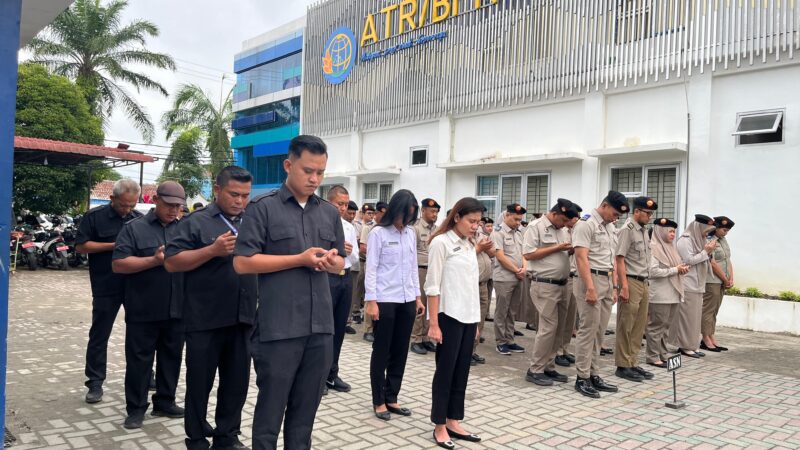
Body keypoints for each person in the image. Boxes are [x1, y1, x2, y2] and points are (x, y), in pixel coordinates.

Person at [233, 135, 345, 450]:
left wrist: (331, 263)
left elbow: (339, 264)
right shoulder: (263, 208)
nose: (314, 179)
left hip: (320, 329)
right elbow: (242, 262)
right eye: (307, 170)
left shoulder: (329, 213)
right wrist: (298, 259)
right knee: (270, 413)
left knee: (304, 416)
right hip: (279, 330)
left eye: (320, 173)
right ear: (288, 164)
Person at [164, 167, 257, 450]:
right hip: (204, 317)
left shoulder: (252, 222)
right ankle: (196, 435)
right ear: (217, 190)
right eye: (234, 194)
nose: (240, 201)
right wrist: (211, 251)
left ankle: (227, 435)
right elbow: (171, 262)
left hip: (242, 316)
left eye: (245, 195)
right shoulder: (196, 222)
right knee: (199, 382)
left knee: (236, 383)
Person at [112, 181, 186, 429]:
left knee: (171, 359)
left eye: (178, 206)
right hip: (143, 309)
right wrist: (154, 261)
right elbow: (119, 264)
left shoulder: (186, 229)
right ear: (156, 200)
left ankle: (165, 402)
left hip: (177, 309)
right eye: (169, 205)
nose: (174, 210)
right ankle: (136, 408)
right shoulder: (134, 228)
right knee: (139, 362)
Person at [425, 198, 485, 449]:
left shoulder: (470, 244)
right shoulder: (441, 243)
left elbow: (472, 285)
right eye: (472, 221)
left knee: (462, 371)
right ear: (457, 217)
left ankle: (453, 419)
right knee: (445, 372)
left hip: (468, 316)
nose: (475, 227)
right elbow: (433, 286)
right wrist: (434, 323)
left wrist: (477, 320)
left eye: (478, 222)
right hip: (449, 318)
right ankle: (439, 424)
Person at [76, 179, 143, 404]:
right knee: (100, 334)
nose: (127, 209)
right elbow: (82, 246)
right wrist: (115, 245)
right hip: (105, 284)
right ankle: (95, 382)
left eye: (132, 205)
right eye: (124, 204)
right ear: (112, 199)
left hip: (134, 284)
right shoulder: (94, 217)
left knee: (141, 334)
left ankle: (146, 375)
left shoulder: (138, 220)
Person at [365, 190, 424, 421]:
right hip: (385, 300)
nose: (405, 221)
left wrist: (418, 297)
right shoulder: (378, 233)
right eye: (403, 216)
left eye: (410, 216)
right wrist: (371, 301)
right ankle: (378, 400)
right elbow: (371, 268)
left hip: (407, 299)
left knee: (400, 350)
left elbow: (412, 267)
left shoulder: (410, 233)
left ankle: (392, 396)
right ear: (395, 210)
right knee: (382, 351)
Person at [571, 191, 629, 398]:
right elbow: (581, 258)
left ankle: (593, 373)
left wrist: (615, 286)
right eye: (614, 213)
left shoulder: (610, 226)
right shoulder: (586, 224)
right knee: (588, 330)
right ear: (604, 206)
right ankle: (582, 377)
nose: (616, 218)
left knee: (600, 330)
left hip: (605, 280)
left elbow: (611, 258)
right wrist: (590, 288)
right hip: (590, 279)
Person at [522, 199, 578, 387]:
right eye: (563, 220)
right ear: (554, 214)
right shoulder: (536, 227)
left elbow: (559, 254)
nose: (564, 225)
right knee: (548, 328)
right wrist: (557, 248)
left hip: (562, 284)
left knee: (560, 328)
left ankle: (549, 366)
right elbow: (528, 254)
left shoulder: (561, 230)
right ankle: (535, 369)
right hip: (544, 285)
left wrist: (568, 251)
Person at [613, 197, 658, 383]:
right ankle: (623, 365)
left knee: (639, 325)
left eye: (651, 214)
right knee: (627, 323)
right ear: (636, 212)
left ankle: (632, 361)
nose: (649, 217)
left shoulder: (644, 231)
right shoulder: (627, 230)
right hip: (630, 281)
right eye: (646, 213)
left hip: (644, 281)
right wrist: (623, 285)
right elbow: (619, 259)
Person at [323, 185, 359, 395]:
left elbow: (353, 259)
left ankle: (332, 373)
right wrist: (335, 250)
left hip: (345, 280)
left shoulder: (349, 227)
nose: (343, 208)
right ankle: (318, 377)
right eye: (340, 204)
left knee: (338, 329)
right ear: (329, 202)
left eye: (346, 204)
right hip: (326, 279)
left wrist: (348, 252)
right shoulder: (321, 223)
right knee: (324, 331)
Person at [671, 214, 717, 359]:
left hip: (699, 283)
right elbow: (688, 260)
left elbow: (705, 258)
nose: (707, 234)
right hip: (688, 283)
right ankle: (684, 346)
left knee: (695, 317)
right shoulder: (685, 240)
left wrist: (708, 253)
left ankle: (692, 345)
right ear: (698, 227)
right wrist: (705, 252)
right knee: (687, 318)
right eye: (705, 231)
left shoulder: (699, 239)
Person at [646, 218, 689, 368]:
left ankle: (663, 354)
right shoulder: (653, 248)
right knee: (656, 326)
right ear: (661, 231)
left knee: (666, 327)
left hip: (673, 293)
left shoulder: (670, 247)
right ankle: (652, 356)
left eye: (674, 232)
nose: (672, 234)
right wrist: (675, 270)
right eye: (670, 231)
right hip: (660, 294)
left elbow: (675, 267)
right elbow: (652, 271)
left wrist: (681, 269)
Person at [490, 204, 527, 355]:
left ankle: (510, 340)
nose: (518, 223)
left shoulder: (519, 233)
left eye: (520, 220)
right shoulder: (498, 233)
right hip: (504, 278)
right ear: (507, 216)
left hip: (518, 276)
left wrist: (524, 268)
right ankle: (501, 342)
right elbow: (500, 256)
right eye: (516, 219)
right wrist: (516, 270)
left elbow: (524, 253)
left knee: (512, 311)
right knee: (502, 311)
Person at [410, 198, 441, 355]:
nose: (435, 214)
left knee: (431, 305)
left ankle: (427, 338)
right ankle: (416, 338)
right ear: (423, 211)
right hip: (420, 269)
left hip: (433, 270)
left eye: (436, 212)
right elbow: (411, 252)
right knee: (420, 304)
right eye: (432, 211)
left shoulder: (437, 229)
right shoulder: (415, 228)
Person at [701, 216, 735, 352]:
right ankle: (705, 339)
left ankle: (711, 336)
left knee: (715, 310)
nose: (725, 233)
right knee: (708, 310)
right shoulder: (709, 240)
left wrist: (731, 277)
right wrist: (725, 280)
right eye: (723, 230)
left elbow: (728, 259)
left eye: (727, 231)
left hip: (722, 280)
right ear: (716, 228)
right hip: (712, 280)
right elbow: (713, 263)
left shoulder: (723, 240)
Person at [555, 202, 582, 367]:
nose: (576, 220)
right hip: (565, 276)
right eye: (574, 217)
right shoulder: (562, 231)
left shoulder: (577, 230)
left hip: (575, 276)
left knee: (571, 318)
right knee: (561, 318)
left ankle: (565, 348)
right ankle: (557, 351)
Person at [359, 201, 388, 342]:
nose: (384, 216)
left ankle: (376, 325)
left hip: (382, 267)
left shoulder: (387, 229)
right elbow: (363, 247)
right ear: (377, 214)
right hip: (369, 264)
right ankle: (368, 329)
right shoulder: (369, 228)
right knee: (369, 296)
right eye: (381, 213)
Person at [472, 219, 495, 366]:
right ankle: (464, 352)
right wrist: (479, 248)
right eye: (473, 221)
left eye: (478, 221)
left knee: (480, 319)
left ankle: (472, 350)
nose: (477, 224)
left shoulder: (480, 235)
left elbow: (493, 254)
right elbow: (463, 257)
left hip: (483, 284)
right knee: (471, 320)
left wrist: (486, 246)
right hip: (471, 285)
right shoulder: (460, 238)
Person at [350, 203, 374, 327]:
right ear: (363, 214)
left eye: (372, 213)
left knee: (366, 289)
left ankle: (363, 310)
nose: (371, 216)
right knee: (358, 288)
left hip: (368, 262)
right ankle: (355, 311)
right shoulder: (358, 226)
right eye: (368, 213)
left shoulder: (373, 226)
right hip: (360, 260)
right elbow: (359, 245)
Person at [344, 200, 360, 335]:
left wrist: (348, 252)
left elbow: (355, 255)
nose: (351, 216)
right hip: (329, 273)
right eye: (349, 213)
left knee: (350, 298)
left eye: (353, 213)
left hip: (347, 269)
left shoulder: (351, 228)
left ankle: (346, 322)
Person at [481, 218, 495, 322]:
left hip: (492, 270)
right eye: (488, 226)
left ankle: (487, 313)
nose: (490, 228)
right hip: (483, 272)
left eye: (491, 226)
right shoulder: (481, 237)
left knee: (488, 294)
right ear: (483, 226)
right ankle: (485, 314)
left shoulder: (493, 236)